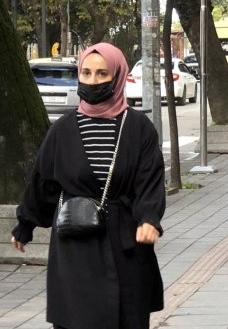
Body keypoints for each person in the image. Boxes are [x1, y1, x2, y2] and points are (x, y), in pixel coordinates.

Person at [11, 43, 165, 329]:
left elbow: (150, 179)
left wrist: (149, 218)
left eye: (102, 74)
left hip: (125, 244)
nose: (92, 81)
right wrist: (25, 224)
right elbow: (43, 181)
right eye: (86, 73)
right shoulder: (63, 129)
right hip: (75, 247)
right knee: (78, 319)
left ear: (117, 76)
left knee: (126, 317)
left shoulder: (138, 127)